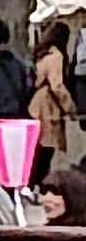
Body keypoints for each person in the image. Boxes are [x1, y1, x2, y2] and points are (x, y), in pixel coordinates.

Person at [30, 22, 76, 185]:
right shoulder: (57, 56)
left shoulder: (43, 54)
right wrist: (70, 107)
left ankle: (34, 184)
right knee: (46, 148)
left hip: (37, 103)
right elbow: (57, 85)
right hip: (47, 106)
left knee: (38, 150)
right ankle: (38, 184)